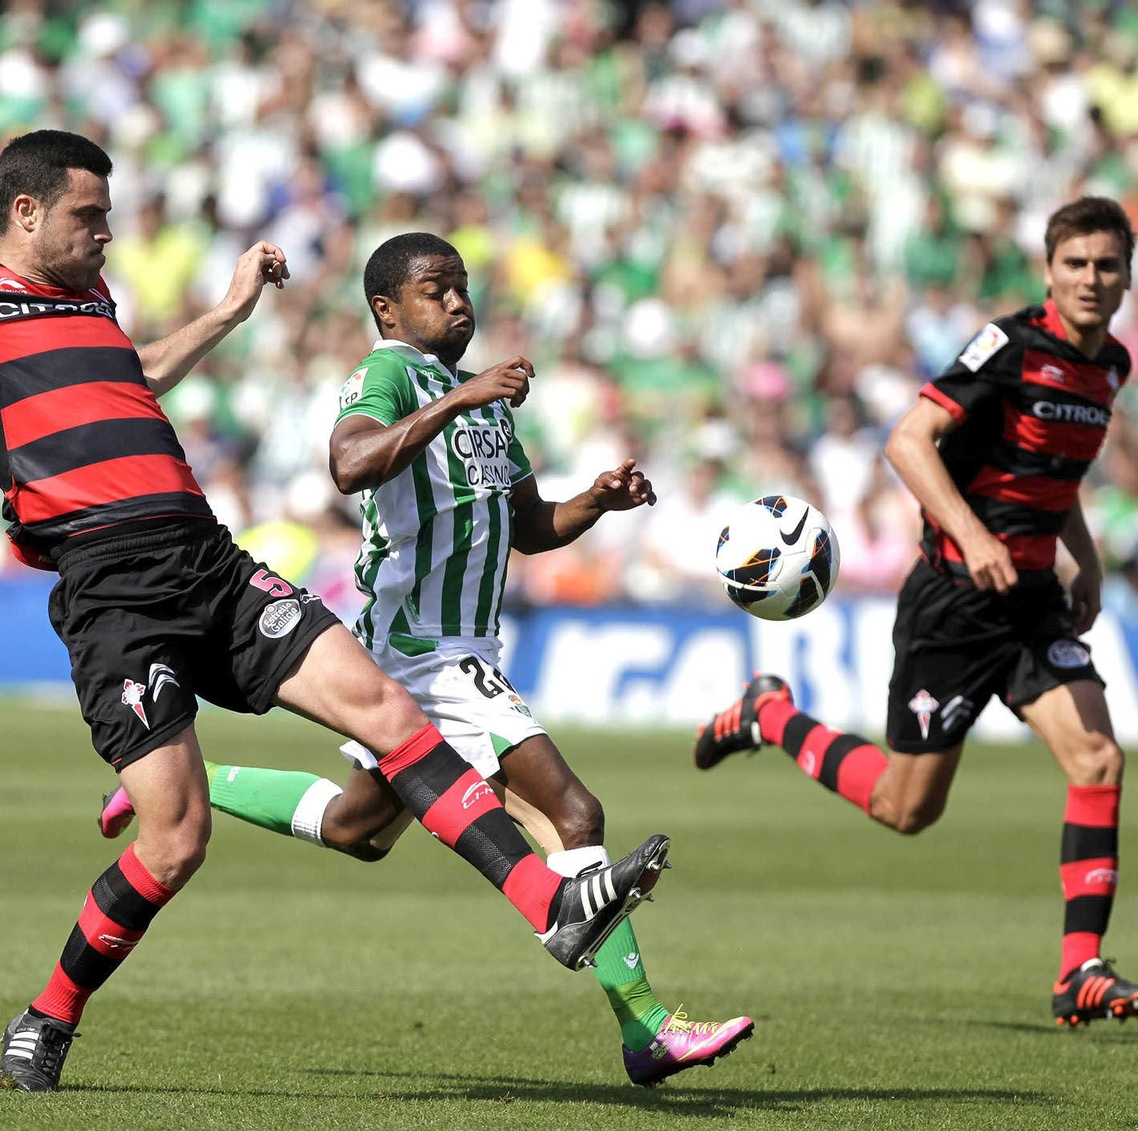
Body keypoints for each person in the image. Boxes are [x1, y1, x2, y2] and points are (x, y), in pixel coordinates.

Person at [0, 35, 671, 1092]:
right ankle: (50, 1013)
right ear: (24, 213)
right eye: (88, 216)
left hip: (206, 556)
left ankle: (549, 908)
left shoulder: (93, 309)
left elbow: (135, 373)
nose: (107, 234)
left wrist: (227, 309)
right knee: (175, 840)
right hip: (111, 587)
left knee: (391, 715)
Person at [99, 233, 755, 1086]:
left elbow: (526, 526)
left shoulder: (484, 402)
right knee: (575, 814)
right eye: (435, 289)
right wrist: (461, 397)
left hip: (457, 649)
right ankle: (647, 1028)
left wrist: (594, 500)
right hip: (422, 649)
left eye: (462, 286)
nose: (456, 302)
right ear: (388, 309)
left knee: (357, 827)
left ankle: (190, 779)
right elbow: (350, 461)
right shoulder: (392, 373)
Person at [693, 197, 1138, 1028]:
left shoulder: (1111, 366)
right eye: (1077, 263)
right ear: (1049, 270)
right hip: (954, 603)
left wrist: (1081, 557)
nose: (1092, 278)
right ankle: (770, 715)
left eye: (1108, 265)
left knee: (1098, 759)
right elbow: (909, 440)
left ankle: (1079, 969)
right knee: (905, 809)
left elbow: (1056, 473)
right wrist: (973, 533)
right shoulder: (1011, 347)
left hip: (1033, 604)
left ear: (1126, 275)